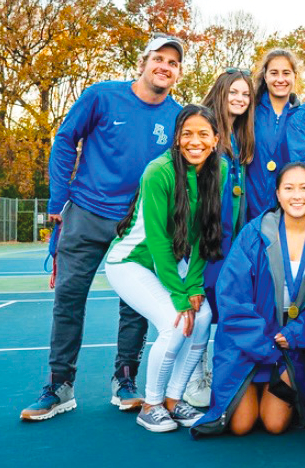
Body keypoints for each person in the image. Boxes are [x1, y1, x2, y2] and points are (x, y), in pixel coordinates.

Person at [21, 34, 184, 422]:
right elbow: (64, 141)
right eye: (158, 59)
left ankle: (125, 380)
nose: (164, 66)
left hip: (137, 224)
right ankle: (60, 386)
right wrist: (58, 200)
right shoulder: (101, 96)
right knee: (68, 300)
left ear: (178, 73)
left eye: (173, 62)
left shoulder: (177, 116)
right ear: (143, 63)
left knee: (135, 306)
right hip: (85, 214)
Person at [104, 104, 227, 432]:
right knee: (175, 323)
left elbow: (205, 232)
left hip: (171, 263)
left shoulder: (220, 170)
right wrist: (178, 293)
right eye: (187, 134)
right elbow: (158, 241)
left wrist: (195, 286)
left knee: (203, 317)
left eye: (203, 134)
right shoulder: (158, 171)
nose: (195, 141)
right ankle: (152, 403)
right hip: (131, 263)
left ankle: (174, 399)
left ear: (216, 139)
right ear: (176, 138)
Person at [191, 162, 305, 438]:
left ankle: (304, 384)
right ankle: (247, 383)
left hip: (289, 348)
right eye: (288, 188)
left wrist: (297, 332)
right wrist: (264, 345)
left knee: (274, 424)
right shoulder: (255, 234)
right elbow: (232, 298)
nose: (297, 196)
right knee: (240, 425)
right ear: (277, 194)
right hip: (247, 345)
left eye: (304, 188)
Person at [183, 68, 257, 408]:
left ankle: (210, 370)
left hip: (231, 240)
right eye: (234, 93)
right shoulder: (204, 129)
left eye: (246, 94)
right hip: (205, 238)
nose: (240, 100)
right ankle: (190, 375)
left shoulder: (242, 137)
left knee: (222, 309)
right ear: (221, 92)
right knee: (200, 310)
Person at [246, 49, 302, 220]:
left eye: (286, 73)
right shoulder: (249, 110)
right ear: (265, 76)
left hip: (287, 211)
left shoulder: (302, 116)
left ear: (295, 76)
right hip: (250, 207)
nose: (280, 79)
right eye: (274, 73)